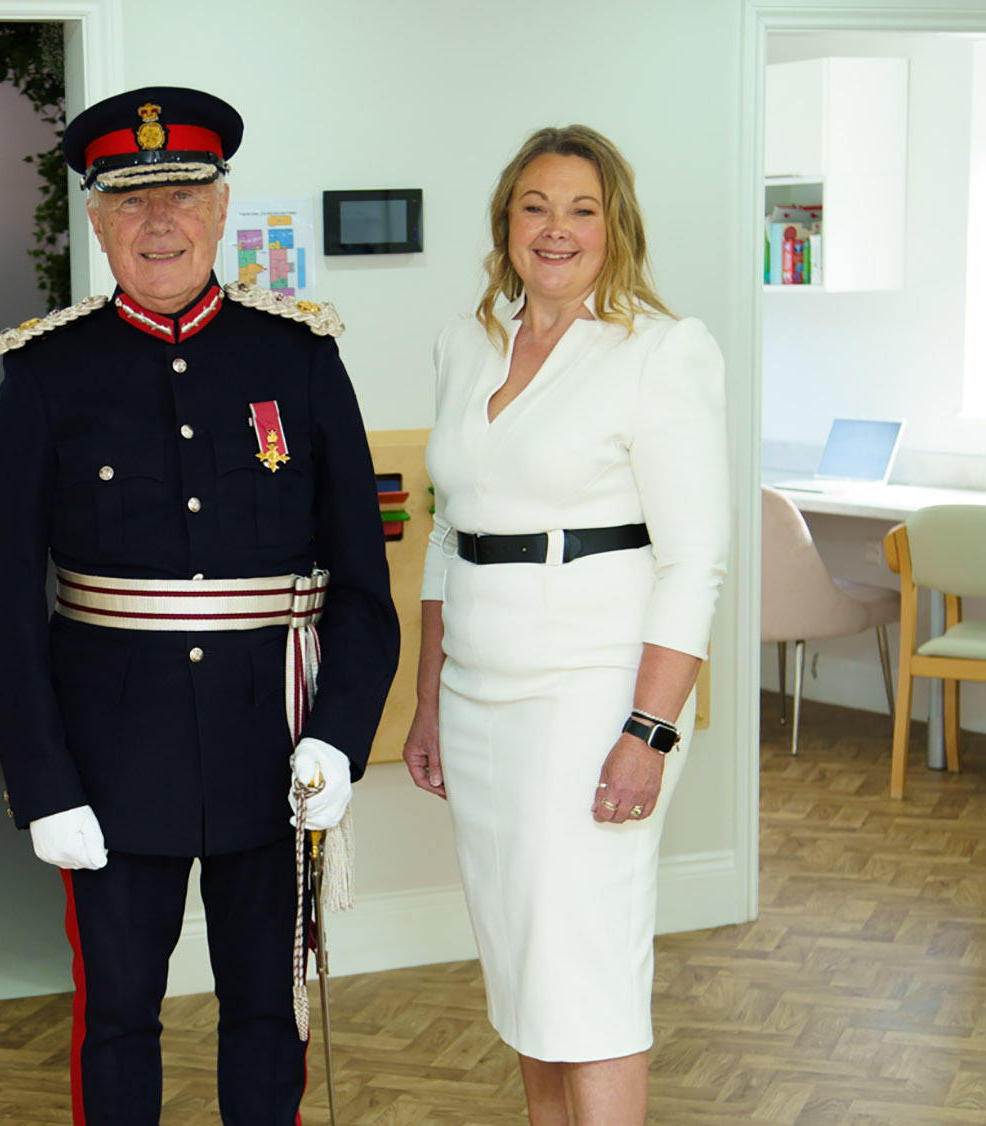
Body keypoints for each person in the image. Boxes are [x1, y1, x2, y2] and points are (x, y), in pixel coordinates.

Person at [0, 87, 398, 1125]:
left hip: (276, 748)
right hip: (110, 762)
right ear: (95, 221)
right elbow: (7, 608)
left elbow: (361, 584)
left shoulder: (298, 356)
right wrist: (43, 785)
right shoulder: (44, 373)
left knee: (267, 1013)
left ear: (220, 209)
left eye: (181, 196)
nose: (157, 221)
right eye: (130, 200)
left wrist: (340, 738)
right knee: (117, 1016)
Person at [401, 125, 728, 1126]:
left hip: (594, 698)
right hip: (476, 695)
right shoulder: (465, 342)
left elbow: (694, 562)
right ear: (505, 221)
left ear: (614, 226)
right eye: (535, 206)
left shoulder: (661, 349)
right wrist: (427, 700)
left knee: (586, 975)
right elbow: (449, 531)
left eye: (582, 209)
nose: (556, 228)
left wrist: (649, 732)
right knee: (522, 971)